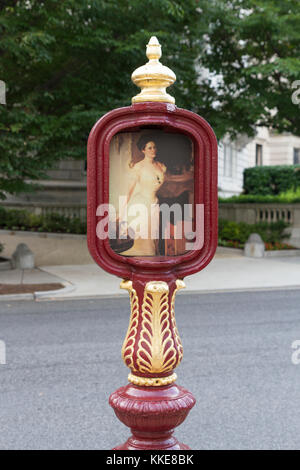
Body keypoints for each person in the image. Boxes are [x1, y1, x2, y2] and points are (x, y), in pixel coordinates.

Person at [118, 134, 166, 256]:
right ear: (143, 150)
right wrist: (121, 210)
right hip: (142, 204)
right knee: (146, 239)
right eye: (149, 148)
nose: (153, 150)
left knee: (154, 237)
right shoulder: (138, 167)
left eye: (154, 147)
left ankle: (153, 263)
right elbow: (128, 190)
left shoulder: (161, 166)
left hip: (155, 203)